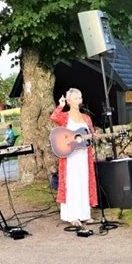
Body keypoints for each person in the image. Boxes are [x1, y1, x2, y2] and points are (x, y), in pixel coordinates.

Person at [50, 88, 97, 227]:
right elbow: (54, 117)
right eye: (76, 98)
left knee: (84, 182)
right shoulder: (65, 116)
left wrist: (94, 139)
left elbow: (90, 135)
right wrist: (60, 105)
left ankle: (85, 214)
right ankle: (72, 215)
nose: (79, 101)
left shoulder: (86, 118)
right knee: (72, 183)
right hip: (70, 156)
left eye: (80, 98)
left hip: (83, 155)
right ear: (69, 101)